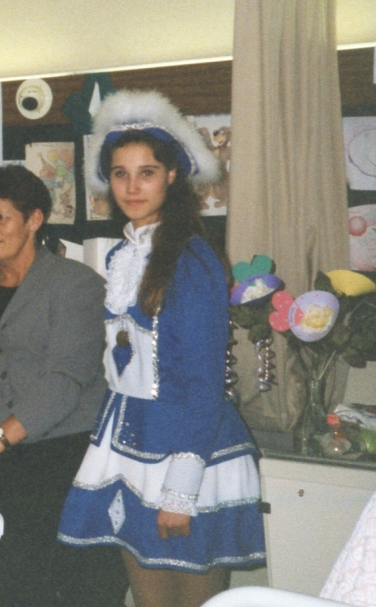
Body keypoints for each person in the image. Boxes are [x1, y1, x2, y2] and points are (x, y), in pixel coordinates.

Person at [58, 91, 266, 607]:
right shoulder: (122, 255)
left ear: (171, 176)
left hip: (188, 451)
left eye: (146, 172)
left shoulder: (192, 260)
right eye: (120, 174)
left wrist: (181, 488)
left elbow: (203, 383)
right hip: (129, 445)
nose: (132, 187)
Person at [0, 165, 128, 607]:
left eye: (1, 217)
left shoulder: (75, 284)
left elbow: (66, 379)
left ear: (34, 219)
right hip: (0, 451)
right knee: (11, 583)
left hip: (66, 446)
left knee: (72, 584)